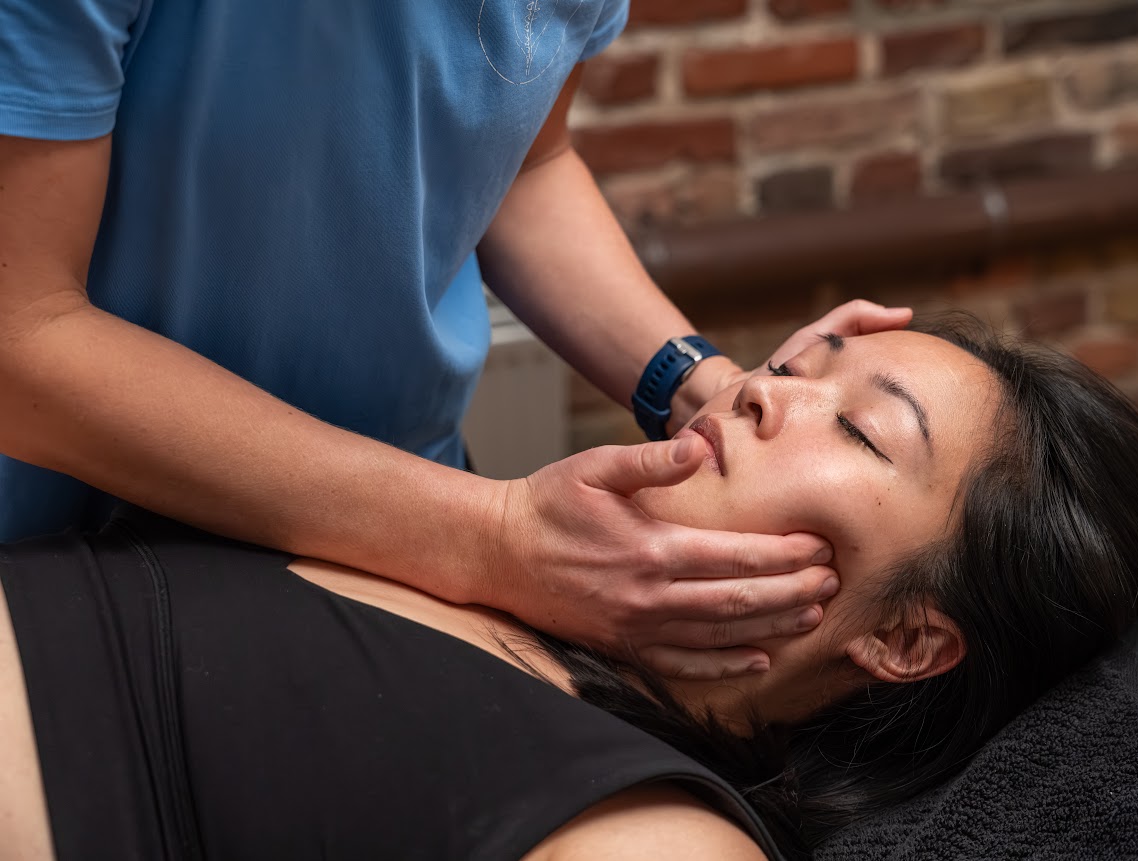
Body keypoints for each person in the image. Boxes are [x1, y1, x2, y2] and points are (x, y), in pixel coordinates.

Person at [0, 319, 1138, 861]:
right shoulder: (458, 554)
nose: (754, 387)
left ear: (903, 637)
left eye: (860, 429)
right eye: (797, 362)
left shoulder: (659, 838)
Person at [0, 0, 915, 681]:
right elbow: (21, 336)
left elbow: (526, 163)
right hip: (64, 545)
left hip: (403, 527)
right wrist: (493, 539)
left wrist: (695, 385)